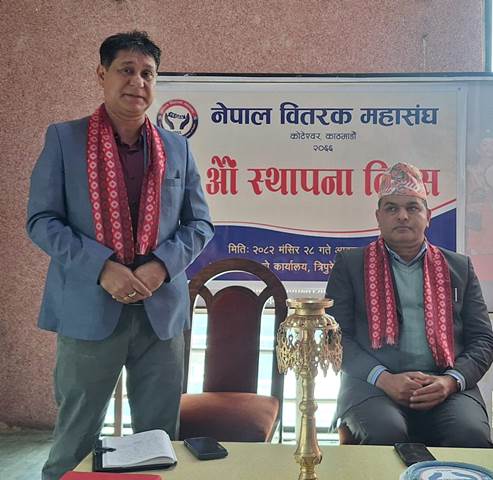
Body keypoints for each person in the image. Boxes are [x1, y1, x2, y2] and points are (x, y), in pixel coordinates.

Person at [27, 31, 214, 479]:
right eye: (126, 70)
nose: (138, 82)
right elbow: (42, 220)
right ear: (101, 74)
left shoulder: (176, 147)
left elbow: (200, 224)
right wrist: (101, 268)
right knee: (74, 442)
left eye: (148, 73)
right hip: (88, 310)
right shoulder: (65, 140)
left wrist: (161, 265)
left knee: (159, 442)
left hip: (160, 314)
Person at [326, 162, 493, 447]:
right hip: (372, 385)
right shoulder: (350, 265)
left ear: (428, 217)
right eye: (392, 208)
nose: (402, 216)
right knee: (385, 434)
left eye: (412, 208)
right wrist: (384, 379)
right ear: (378, 217)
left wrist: (450, 381)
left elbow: (483, 340)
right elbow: (335, 338)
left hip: (446, 385)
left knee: (470, 436)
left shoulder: (459, 268)